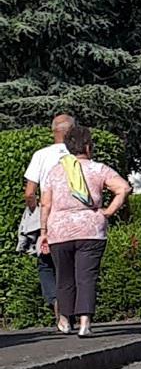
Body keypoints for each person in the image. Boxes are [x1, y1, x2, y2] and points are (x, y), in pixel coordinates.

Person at [38, 126, 131, 337]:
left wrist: (44, 231)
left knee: (63, 277)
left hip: (59, 230)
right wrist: (108, 211)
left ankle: (64, 321)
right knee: (86, 277)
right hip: (91, 229)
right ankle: (84, 324)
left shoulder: (55, 171)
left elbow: (46, 204)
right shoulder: (99, 169)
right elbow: (123, 188)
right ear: (88, 147)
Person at [22, 114, 76, 322]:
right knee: (72, 262)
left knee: (46, 262)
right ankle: (73, 309)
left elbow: (29, 192)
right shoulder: (79, 154)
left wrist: (34, 211)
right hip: (76, 215)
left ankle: (55, 300)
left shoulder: (41, 155)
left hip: (49, 214)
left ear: (53, 131)